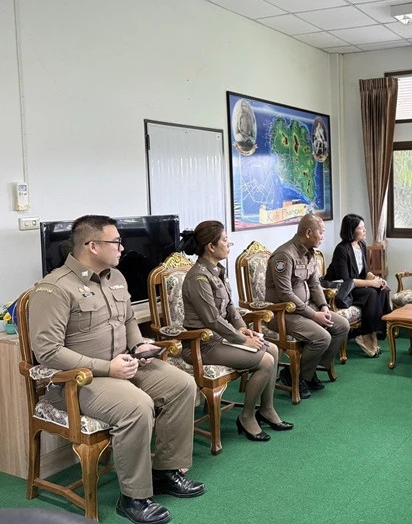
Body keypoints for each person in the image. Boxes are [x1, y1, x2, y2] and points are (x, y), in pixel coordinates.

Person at [28, 215, 204, 524]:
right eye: (116, 242)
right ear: (92, 246)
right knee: (138, 406)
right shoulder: (54, 288)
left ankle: (165, 472)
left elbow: (127, 322)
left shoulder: (116, 277)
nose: (123, 248)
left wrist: (138, 346)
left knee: (182, 385)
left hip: (123, 364)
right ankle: (134, 497)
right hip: (79, 381)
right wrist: (106, 367)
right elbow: (48, 352)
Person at [180, 221, 292, 442]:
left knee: (275, 350)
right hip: (203, 345)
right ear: (211, 247)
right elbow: (211, 319)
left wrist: (243, 329)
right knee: (266, 361)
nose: (228, 244)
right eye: (224, 240)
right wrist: (242, 340)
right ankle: (247, 416)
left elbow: (230, 308)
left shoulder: (217, 271)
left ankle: (266, 409)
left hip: (223, 338)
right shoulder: (198, 278)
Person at [264, 213, 349, 399]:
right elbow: (285, 295)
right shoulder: (284, 256)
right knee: (322, 337)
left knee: (342, 326)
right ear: (309, 232)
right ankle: (295, 375)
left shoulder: (309, 253)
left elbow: (315, 284)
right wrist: (313, 315)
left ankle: (307, 371)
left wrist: (324, 306)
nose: (323, 236)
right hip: (282, 314)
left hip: (306, 309)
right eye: (321, 232)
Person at [323, 214, 391, 358]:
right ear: (351, 230)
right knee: (371, 293)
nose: (365, 230)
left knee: (382, 290)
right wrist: (371, 283)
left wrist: (377, 280)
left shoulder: (361, 245)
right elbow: (347, 280)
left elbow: (365, 273)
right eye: (361, 228)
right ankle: (364, 334)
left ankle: (374, 333)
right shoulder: (341, 249)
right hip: (340, 290)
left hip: (355, 286)